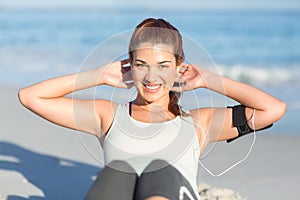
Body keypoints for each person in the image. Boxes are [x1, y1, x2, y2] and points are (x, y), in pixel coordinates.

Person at [18, 18, 286, 200]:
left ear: (180, 67)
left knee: (160, 169)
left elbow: (272, 109)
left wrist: (207, 79)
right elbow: (30, 97)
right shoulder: (108, 116)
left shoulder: (198, 123)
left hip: (171, 191)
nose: (150, 77)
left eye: (163, 65)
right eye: (142, 64)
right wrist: (98, 76)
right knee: (116, 171)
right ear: (129, 65)